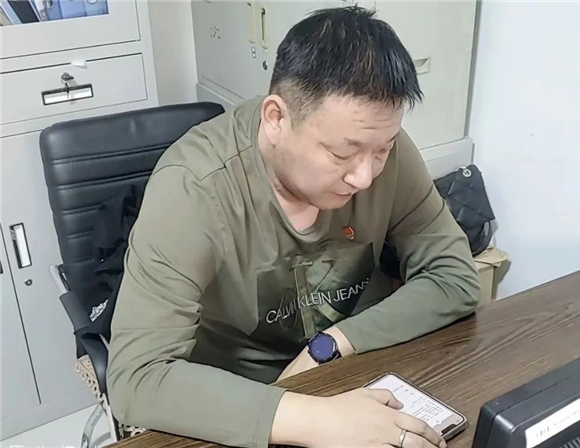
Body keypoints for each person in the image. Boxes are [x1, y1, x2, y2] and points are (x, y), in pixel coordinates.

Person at [106, 6, 480, 448]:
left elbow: (455, 277)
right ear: (276, 119)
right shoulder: (194, 189)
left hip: (358, 371)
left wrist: (334, 344)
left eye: (382, 150)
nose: (365, 176)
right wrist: (320, 420)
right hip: (241, 402)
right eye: (342, 154)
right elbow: (137, 378)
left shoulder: (379, 146)